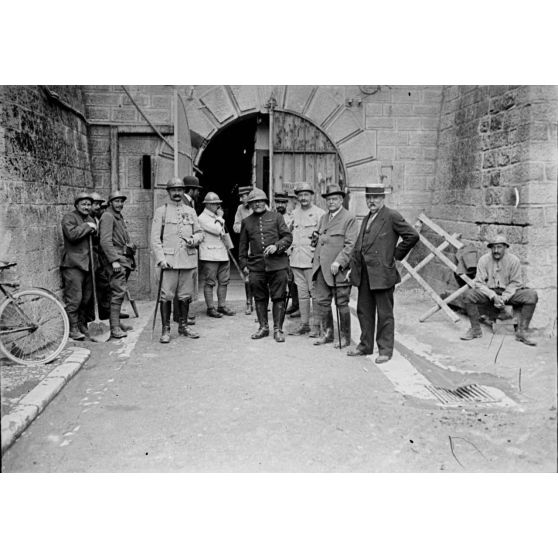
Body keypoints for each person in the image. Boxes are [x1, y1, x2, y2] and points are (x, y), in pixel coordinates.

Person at [347, 185, 419, 362]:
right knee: (364, 310)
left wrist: (394, 255)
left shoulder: (391, 215)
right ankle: (365, 346)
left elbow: (412, 235)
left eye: (376, 197)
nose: (371, 201)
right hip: (365, 274)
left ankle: (385, 350)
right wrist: (353, 268)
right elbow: (359, 246)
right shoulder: (367, 218)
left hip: (382, 274)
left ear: (383, 198)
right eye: (369, 197)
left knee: (385, 313)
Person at [459, 234, 538, 346]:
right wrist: (493, 295)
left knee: (531, 295)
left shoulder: (513, 260)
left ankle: (522, 332)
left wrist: (504, 297)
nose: (496, 250)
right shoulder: (484, 260)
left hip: (508, 294)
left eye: (499, 247)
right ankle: (475, 330)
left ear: (505, 247)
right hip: (489, 293)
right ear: (490, 248)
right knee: (468, 295)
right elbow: (478, 282)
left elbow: (516, 283)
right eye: (493, 247)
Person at [151, 178, 204, 343]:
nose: (176, 193)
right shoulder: (162, 211)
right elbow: (154, 239)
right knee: (166, 296)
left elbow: (200, 233)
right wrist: (161, 259)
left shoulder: (191, 211)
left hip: (187, 261)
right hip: (169, 262)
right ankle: (166, 329)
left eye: (179, 190)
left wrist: (193, 239)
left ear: (183, 191)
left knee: (185, 296)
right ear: (168, 192)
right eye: (173, 190)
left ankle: (183, 326)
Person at [239, 188, 293, 342]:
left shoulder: (276, 217)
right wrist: (244, 266)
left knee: (278, 297)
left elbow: (288, 237)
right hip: (256, 267)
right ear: (250, 204)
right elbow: (242, 247)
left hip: (277, 265)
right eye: (254, 202)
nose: (258, 204)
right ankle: (263, 327)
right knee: (260, 298)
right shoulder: (246, 222)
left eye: (260, 201)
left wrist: (277, 246)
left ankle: (278, 329)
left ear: (265, 202)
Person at [311, 184, 359, 348]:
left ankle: (345, 338)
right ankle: (328, 334)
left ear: (341, 200)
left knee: (341, 303)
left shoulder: (349, 218)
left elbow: (351, 244)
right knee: (323, 302)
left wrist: (339, 261)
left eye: (334, 199)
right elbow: (321, 238)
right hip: (321, 267)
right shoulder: (324, 218)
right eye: (328, 199)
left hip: (339, 269)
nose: (331, 202)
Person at [287, 183, 325, 336]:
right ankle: (304, 324)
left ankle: (316, 325)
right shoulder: (293, 214)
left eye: (306, 195)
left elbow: (323, 238)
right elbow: (288, 235)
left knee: (314, 294)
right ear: (297, 197)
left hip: (312, 261)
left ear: (312, 196)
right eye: (300, 195)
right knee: (302, 295)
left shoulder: (320, 213)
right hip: (296, 260)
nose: (303, 198)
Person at [99, 190, 136, 339]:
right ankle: (114, 327)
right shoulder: (107, 216)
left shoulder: (118, 217)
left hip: (124, 258)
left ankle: (117, 323)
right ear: (110, 203)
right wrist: (114, 260)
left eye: (121, 201)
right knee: (118, 292)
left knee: (118, 292)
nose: (120, 204)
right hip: (116, 260)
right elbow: (105, 241)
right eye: (116, 201)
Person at [60, 192, 97, 340]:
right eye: (83, 204)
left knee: (86, 298)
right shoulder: (69, 218)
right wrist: (88, 226)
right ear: (76, 205)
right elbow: (72, 235)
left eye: (89, 204)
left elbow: (95, 239)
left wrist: (94, 229)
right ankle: (73, 328)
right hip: (73, 264)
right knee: (75, 298)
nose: (86, 207)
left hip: (88, 264)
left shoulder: (90, 218)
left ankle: (82, 324)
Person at [198, 191, 235, 318]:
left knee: (224, 281)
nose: (217, 206)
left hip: (222, 253)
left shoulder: (216, 217)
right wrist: (220, 217)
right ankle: (210, 308)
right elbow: (217, 230)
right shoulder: (202, 218)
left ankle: (222, 306)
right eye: (214, 204)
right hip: (210, 255)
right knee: (210, 282)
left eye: (218, 203)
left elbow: (223, 233)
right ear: (207, 204)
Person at [274, 193, 300, 319]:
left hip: (290, 252)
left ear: (286, 204)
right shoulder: (271, 217)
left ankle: (296, 304)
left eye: (282, 203)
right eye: (277, 202)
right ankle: (280, 306)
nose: (280, 205)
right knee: (278, 280)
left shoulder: (292, 217)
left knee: (293, 280)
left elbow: (293, 234)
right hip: (277, 253)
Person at [233, 185, 254, 314]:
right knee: (247, 274)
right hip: (246, 246)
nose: (241, 199)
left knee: (261, 276)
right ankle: (248, 303)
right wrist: (247, 227)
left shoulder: (260, 205)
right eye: (240, 196)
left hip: (259, 246)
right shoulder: (240, 208)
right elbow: (235, 227)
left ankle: (260, 302)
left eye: (243, 196)